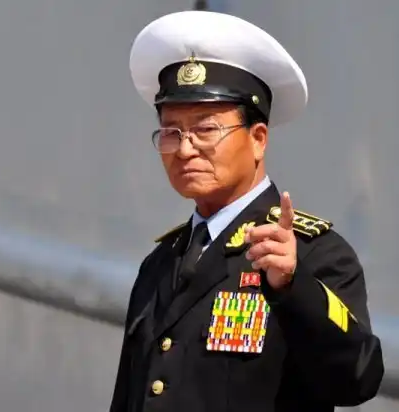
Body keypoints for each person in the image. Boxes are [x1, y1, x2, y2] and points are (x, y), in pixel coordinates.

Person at [110, 10, 384, 412]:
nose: (184, 149)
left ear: (257, 139)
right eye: (171, 132)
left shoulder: (312, 254)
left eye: (206, 130)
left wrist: (292, 287)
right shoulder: (161, 263)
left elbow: (358, 378)